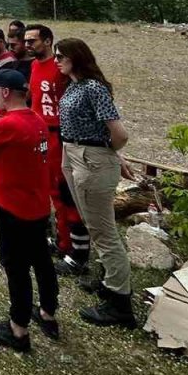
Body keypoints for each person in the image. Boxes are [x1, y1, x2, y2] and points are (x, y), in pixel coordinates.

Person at [0, 68, 59, 352]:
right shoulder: (37, 120)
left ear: (5, 93)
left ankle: (17, 329)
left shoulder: (6, 124)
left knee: (16, 267)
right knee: (42, 260)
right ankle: (48, 312)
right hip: (37, 205)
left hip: (12, 207)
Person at [56, 38, 135, 327]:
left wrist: (110, 155)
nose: (56, 60)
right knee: (93, 224)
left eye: (61, 56)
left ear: (77, 57)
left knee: (104, 231)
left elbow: (119, 134)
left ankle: (119, 302)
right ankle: (109, 280)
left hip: (91, 158)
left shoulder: (93, 88)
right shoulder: (73, 86)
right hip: (73, 152)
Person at [26, 24, 89, 273]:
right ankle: (63, 243)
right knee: (52, 190)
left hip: (61, 135)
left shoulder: (61, 67)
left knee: (67, 192)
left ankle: (79, 253)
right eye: (26, 40)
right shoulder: (34, 66)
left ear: (48, 41)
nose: (28, 44)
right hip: (42, 134)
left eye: (34, 40)